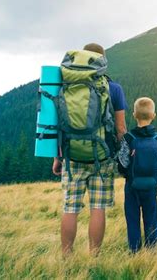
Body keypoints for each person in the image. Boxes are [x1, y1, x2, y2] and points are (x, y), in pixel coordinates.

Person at [52, 43, 127, 256]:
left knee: (70, 208)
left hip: (71, 156)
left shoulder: (65, 84)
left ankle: (66, 256)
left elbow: (59, 125)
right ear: (102, 60)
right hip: (102, 157)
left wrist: (57, 158)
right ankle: (94, 256)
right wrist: (121, 156)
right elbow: (121, 128)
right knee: (97, 208)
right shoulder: (113, 88)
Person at [117, 97, 157, 253]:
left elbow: (123, 162)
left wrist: (126, 175)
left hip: (132, 187)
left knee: (132, 219)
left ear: (134, 115)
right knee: (151, 217)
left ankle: (134, 250)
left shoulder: (128, 138)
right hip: (151, 186)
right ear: (154, 115)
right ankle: (152, 250)